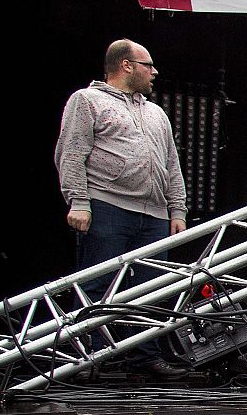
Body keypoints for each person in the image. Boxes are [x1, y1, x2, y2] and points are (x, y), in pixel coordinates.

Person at [55, 38, 189, 377]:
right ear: (126, 65)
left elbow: (171, 164)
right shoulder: (88, 100)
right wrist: (79, 201)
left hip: (154, 213)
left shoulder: (155, 112)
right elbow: (71, 153)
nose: (154, 72)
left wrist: (177, 209)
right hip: (108, 204)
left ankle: (144, 358)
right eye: (148, 65)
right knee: (97, 284)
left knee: (151, 288)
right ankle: (88, 358)